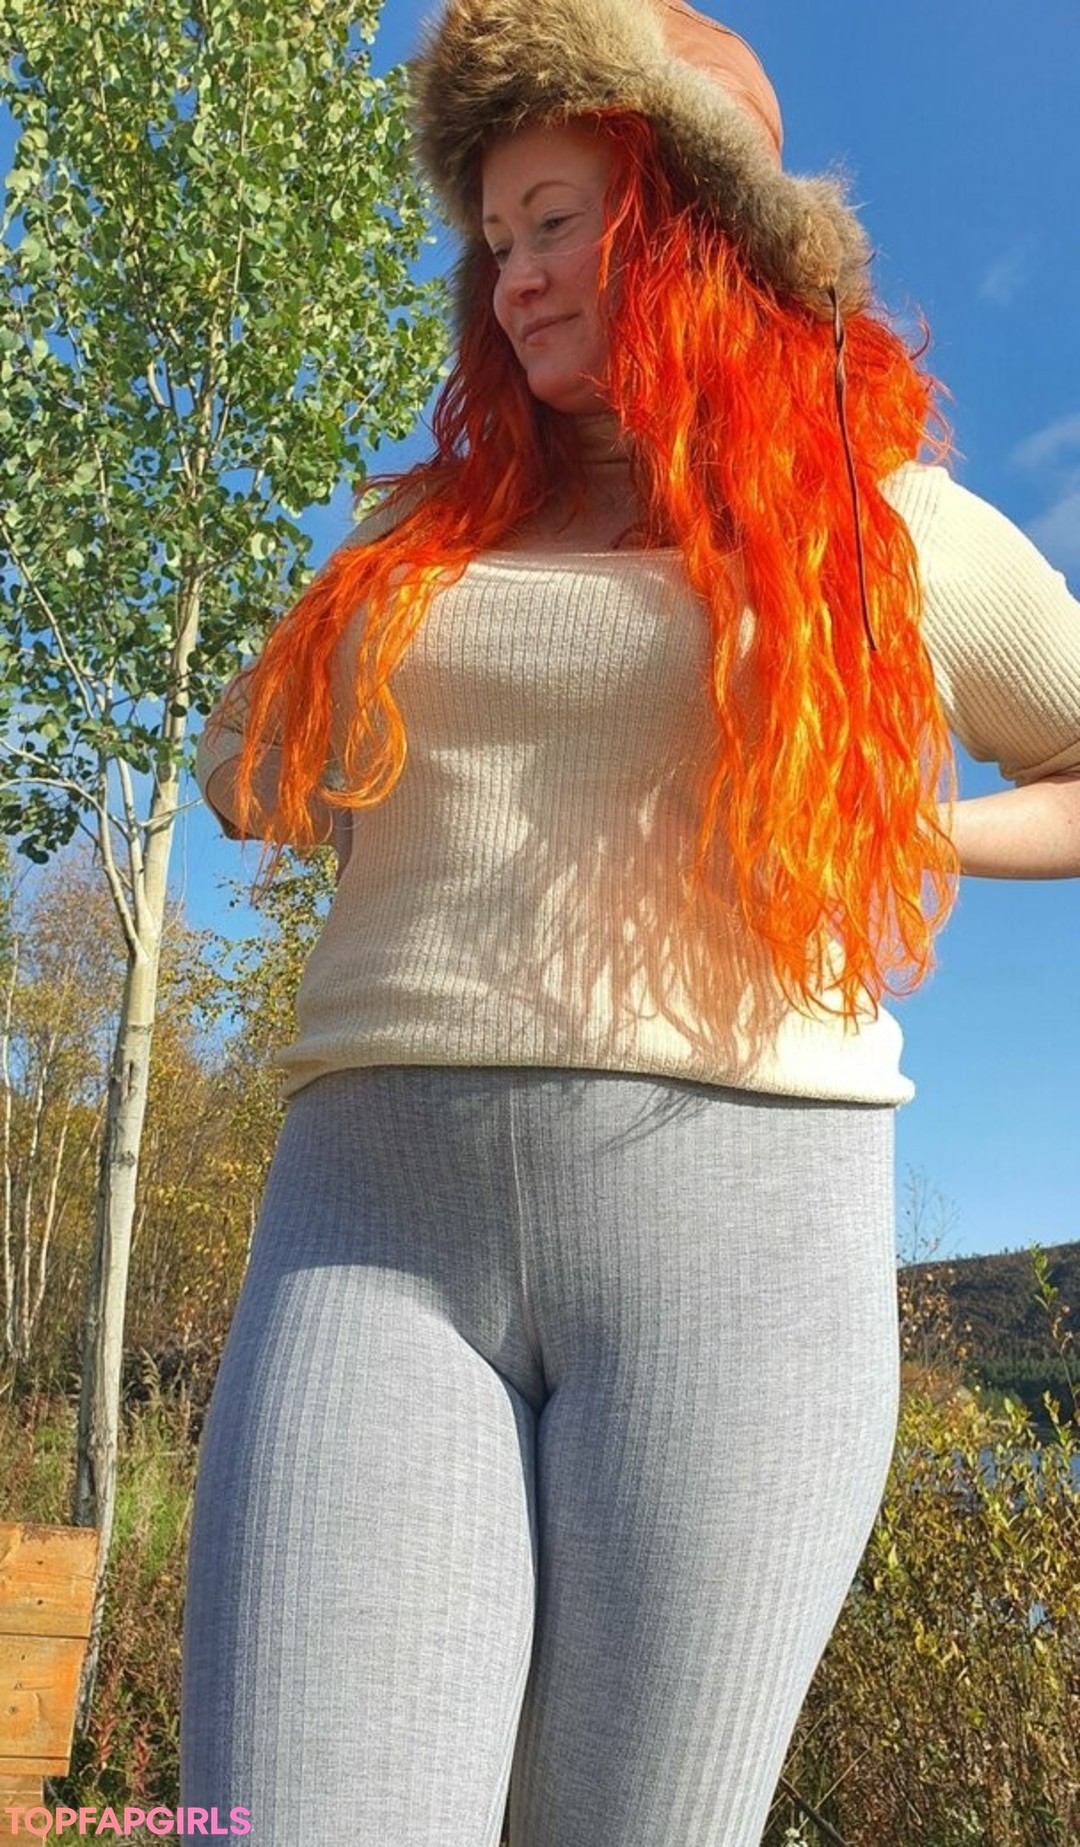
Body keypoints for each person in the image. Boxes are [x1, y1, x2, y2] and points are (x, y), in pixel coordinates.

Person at [179, 3, 1080, 1843]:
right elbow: (245, 774)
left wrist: (922, 828)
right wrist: (299, 739)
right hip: (372, 1217)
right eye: (493, 236)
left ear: (694, 227)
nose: (510, 273)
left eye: (557, 222)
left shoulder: (891, 531)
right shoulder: (414, 538)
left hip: (741, 1244)